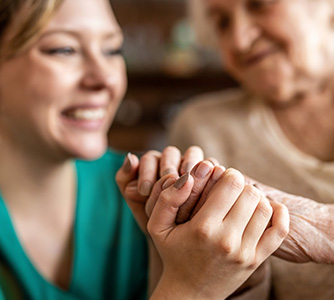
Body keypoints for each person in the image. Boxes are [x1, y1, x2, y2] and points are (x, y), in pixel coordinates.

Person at [0, 0, 290, 299]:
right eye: (64, 50)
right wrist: (192, 289)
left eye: (113, 50)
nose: (105, 78)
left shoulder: (148, 195)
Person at [169, 0, 334, 299]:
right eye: (222, 22)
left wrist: (325, 230)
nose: (239, 39)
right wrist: (235, 274)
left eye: (259, 5)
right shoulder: (204, 130)